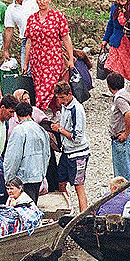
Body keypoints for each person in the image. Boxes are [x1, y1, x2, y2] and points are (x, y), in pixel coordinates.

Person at [23, 0, 74, 113]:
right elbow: (28, 42)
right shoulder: (32, 19)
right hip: (37, 60)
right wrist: (25, 62)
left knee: (50, 84)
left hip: (53, 57)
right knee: (39, 86)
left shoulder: (58, 17)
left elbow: (66, 38)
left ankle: (40, 109)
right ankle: (48, 110)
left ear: (50, 0)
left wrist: (70, 58)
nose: (41, 2)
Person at [52, 82, 91, 212]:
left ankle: (83, 215)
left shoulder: (77, 110)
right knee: (60, 183)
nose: (60, 101)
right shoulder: (65, 106)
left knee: (79, 186)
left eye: (62, 98)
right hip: (67, 152)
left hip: (78, 153)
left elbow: (77, 137)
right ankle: (68, 210)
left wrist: (60, 129)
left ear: (69, 94)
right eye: (58, 98)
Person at [3, 102, 50, 205]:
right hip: (37, 176)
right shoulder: (41, 130)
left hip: (22, 178)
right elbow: (47, 155)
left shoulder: (18, 131)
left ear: (17, 115)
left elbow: (13, 157)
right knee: (32, 207)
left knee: (21, 209)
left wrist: (8, 178)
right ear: (31, 113)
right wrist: (42, 173)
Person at [107, 73, 130, 198]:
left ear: (109, 86)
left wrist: (125, 132)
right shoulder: (127, 94)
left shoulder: (119, 98)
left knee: (124, 176)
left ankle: (127, 201)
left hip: (123, 141)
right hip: (128, 138)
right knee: (127, 172)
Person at [2, 0, 38, 69]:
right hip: (26, 40)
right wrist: (6, 50)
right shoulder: (10, 9)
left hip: (41, 38)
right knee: (26, 70)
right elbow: (9, 30)